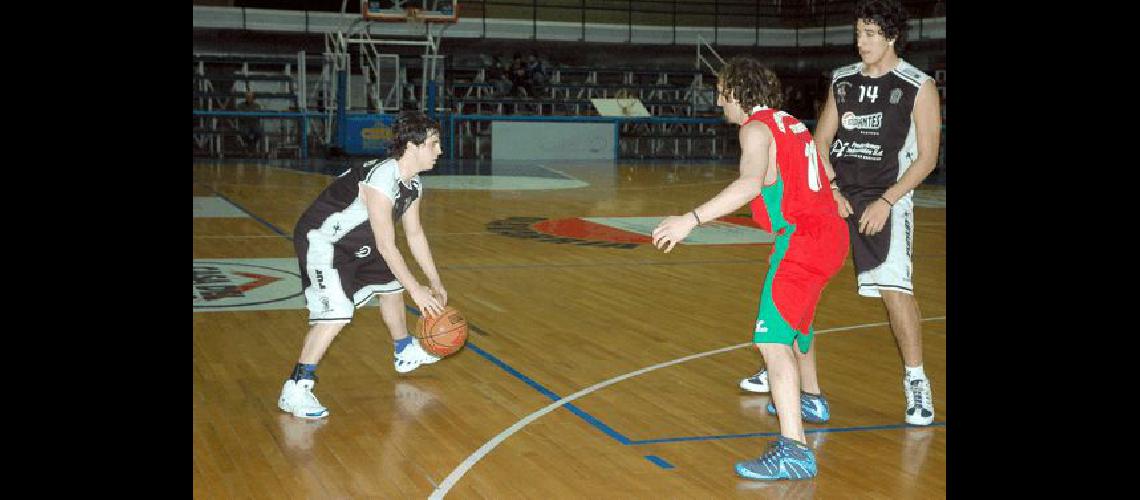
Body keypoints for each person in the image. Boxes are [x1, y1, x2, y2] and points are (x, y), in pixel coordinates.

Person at [738, 0, 942, 427]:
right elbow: (821, 141)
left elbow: (927, 158)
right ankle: (781, 359)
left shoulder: (917, 85)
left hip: (886, 197)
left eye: (870, 34)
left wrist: (887, 201)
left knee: (895, 291)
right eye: (858, 33)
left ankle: (916, 381)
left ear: (891, 37)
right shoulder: (843, 81)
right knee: (798, 274)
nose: (861, 41)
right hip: (832, 196)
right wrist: (830, 189)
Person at [652, 56, 848, 480]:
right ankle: (810, 397)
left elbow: (749, 183)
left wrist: (692, 219)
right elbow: (824, 166)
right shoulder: (791, 123)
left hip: (800, 241)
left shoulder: (755, 129)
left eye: (722, 94)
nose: (719, 102)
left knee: (772, 342)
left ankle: (794, 449)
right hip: (829, 236)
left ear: (737, 94)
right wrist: (834, 197)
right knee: (798, 323)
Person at [278, 110, 449, 420]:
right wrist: (418, 292)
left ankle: (404, 350)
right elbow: (387, 244)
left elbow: (414, 233)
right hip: (323, 241)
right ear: (413, 145)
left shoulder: (412, 184)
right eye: (434, 144)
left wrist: (435, 283)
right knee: (337, 312)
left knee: (391, 285)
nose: (440, 151)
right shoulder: (383, 177)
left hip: (360, 242)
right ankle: (296, 386)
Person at [235, 90, 264, 155]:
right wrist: (251, 114)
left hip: (254, 124)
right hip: (244, 124)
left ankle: (253, 144)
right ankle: (250, 144)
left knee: (259, 131)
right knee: (244, 132)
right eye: (247, 97)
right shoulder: (240, 105)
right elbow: (241, 116)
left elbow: (257, 116)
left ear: (253, 98)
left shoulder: (257, 105)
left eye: (250, 97)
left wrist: (247, 114)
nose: (248, 98)